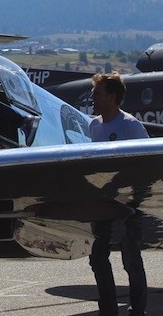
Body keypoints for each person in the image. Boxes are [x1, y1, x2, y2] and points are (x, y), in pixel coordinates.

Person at [88, 72, 149, 316]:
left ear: (112, 97)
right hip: (103, 202)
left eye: (98, 93)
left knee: (131, 260)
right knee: (98, 258)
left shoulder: (131, 126)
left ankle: (138, 310)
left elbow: (146, 163)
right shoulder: (93, 126)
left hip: (129, 203)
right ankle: (108, 309)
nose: (93, 97)